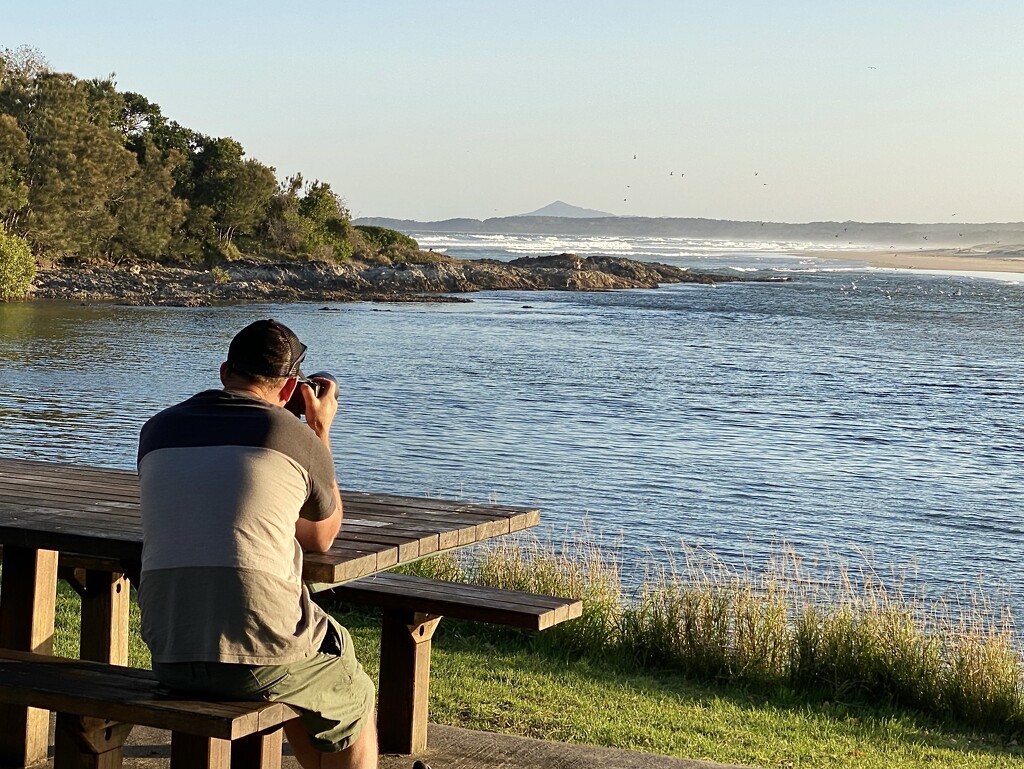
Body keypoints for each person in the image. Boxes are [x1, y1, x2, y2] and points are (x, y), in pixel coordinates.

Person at [136, 319, 378, 769]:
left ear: (225, 371)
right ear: (289, 391)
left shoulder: (157, 430)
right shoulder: (296, 437)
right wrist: (320, 430)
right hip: (254, 656)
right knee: (348, 682)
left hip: (169, 651)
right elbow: (321, 536)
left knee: (297, 667)